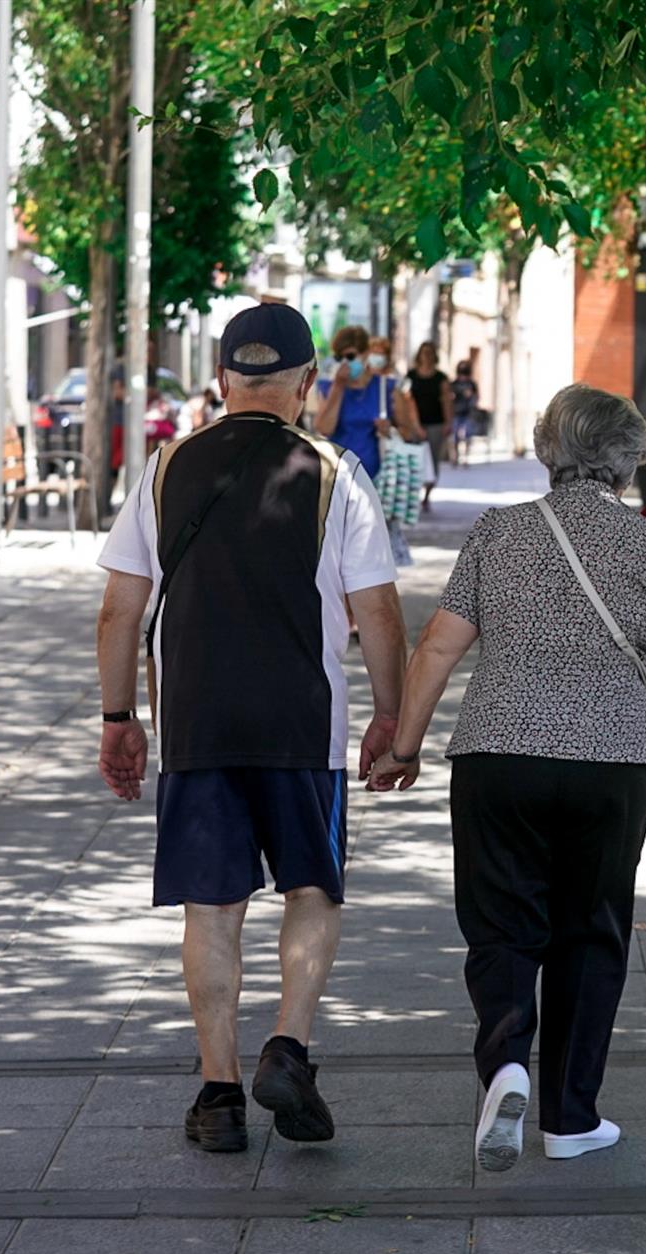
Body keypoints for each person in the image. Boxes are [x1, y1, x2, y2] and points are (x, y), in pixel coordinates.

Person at [368, 383, 646, 1173]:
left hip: (498, 754)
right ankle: (571, 1117)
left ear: (544, 449)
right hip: (611, 764)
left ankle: (507, 1065)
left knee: (500, 924)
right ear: (629, 461)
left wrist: (405, 746)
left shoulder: (500, 532)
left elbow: (439, 648)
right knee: (591, 930)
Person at [95, 302, 408, 1155]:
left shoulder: (164, 468)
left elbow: (120, 611)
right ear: (308, 383)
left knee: (213, 903)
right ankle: (290, 1046)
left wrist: (120, 717)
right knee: (313, 886)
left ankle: (220, 1092)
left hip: (195, 721)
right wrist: (394, 717)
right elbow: (376, 610)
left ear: (224, 381)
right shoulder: (337, 472)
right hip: (302, 722)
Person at [314, 325, 393, 481]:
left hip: (375, 476)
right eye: (339, 357)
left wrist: (388, 429)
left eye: (350, 356)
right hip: (338, 475)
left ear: (366, 354)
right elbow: (324, 428)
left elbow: (409, 432)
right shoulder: (328, 386)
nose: (345, 362)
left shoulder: (384, 386)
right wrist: (338, 386)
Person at [404, 342, 454, 507]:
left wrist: (448, 422)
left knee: (432, 460)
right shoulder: (410, 376)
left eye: (430, 352)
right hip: (413, 424)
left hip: (435, 424)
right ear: (419, 355)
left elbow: (446, 401)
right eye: (424, 352)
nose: (427, 356)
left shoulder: (441, 378)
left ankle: (427, 493)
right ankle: (414, 493)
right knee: (414, 460)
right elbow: (405, 399)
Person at [450, 360, 481, 467]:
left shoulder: (471, 384)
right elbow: (449, 397)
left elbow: (476, 397)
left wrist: (471, 398)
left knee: (467, 435)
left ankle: (465, 457)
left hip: (468, 413)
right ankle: (456, 456)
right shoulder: (454, 384)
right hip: (456, 412)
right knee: (455, 436)